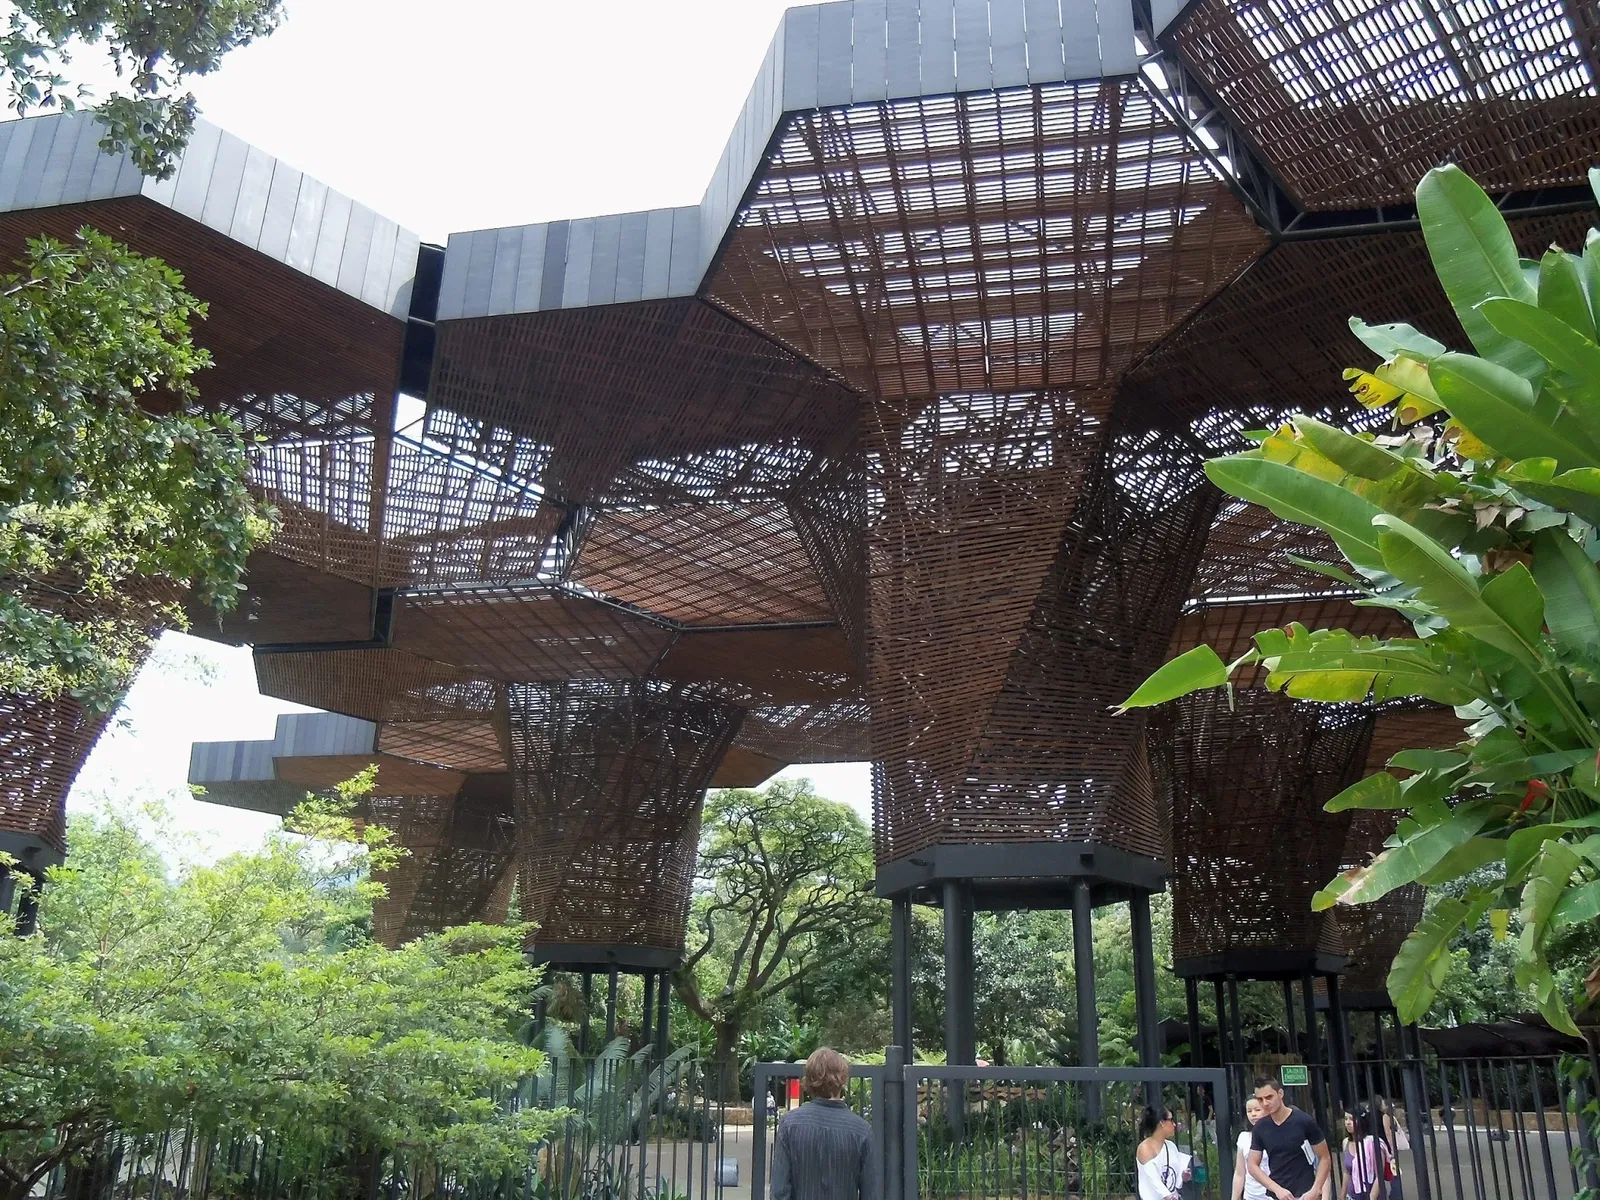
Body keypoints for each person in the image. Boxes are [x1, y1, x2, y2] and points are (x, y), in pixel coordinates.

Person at [771, 1047, 877, 1200]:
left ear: (808, 1080)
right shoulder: (861, 1130)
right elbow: (871, 1193)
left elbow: (779, 1191)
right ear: (843, 1079)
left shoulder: (789, 1125)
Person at [1247, 1077, 1332, 1200]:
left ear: (1280, 1093)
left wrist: (1316, 1189)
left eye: (1269, 1097)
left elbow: (1324, 1157)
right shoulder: (1260, 1127)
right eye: (1260, 1099)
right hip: (1278, 1195)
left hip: (1306, 1193)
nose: (1265, 1103)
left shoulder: (1304, 1121)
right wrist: (1276, 1189)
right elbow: (1252, 1165)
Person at [1138, 1106, 1191, 1200]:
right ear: (1161, 1123)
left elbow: (1175, 1175)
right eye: (1171, 1120)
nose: (1174, 1124)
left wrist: (1183, 1175)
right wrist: (1168, 1196)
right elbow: (1153, 1178)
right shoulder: (1145, 1148)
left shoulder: (1171, 1146)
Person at [1233, 1097, 1271, 1200]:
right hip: (1251, 1196)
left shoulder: (1277, 1135)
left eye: (1257, 1110)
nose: (1253, 1114)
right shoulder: (1244, 1137)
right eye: (1249, 1111)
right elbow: (1240, 1173)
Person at [1341, 1108, 1383, 1200]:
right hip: (1352, 1196)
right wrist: (1342, 1196)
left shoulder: (1372, 1143)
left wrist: (1371, 1197)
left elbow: (1379, 1175)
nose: (1348, 1122)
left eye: (1352, 1119)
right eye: (1346, 1119)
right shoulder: (1346, 1143)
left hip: (1370, 1194)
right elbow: (1347, 1171)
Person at [1373, 1097, 1406, 1200]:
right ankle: (1396, 1195)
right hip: (1385, 1147)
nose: (1384, 1105)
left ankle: (1380, 1194)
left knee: (1377, 1172)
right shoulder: (1385, 1116)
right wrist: (1392, 1148)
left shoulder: (1369, 1116)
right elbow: (1387, 1133)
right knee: (1394, 1172)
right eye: (1383, 1102)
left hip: (1373, 1146)